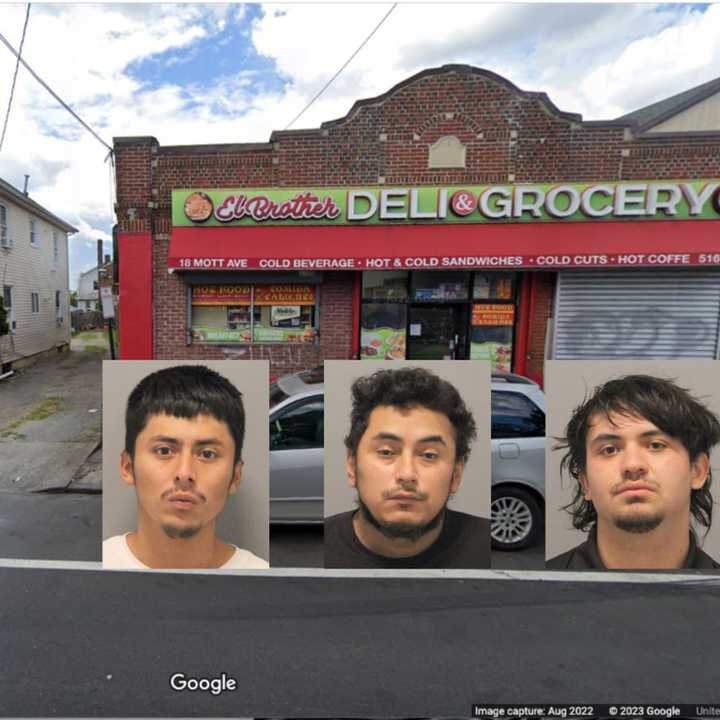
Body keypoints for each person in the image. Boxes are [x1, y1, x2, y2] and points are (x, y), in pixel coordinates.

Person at [103, 364, 268, 570]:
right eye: (164, 451)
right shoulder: (91, 569)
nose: (184, 473)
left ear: (235, 476)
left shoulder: (263, 578)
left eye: (207, 454)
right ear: (128, 467)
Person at [548, 374, 720, 570]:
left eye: (656, 445)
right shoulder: (536, 594)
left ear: (697, 471)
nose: (632, 465)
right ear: (585, 482)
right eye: (610, 449)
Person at [324, 366, 490, 568]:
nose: (407, 474)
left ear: (456, 474)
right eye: (386, 452)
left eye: (429, 455)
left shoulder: (487, 547)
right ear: (352, 465)